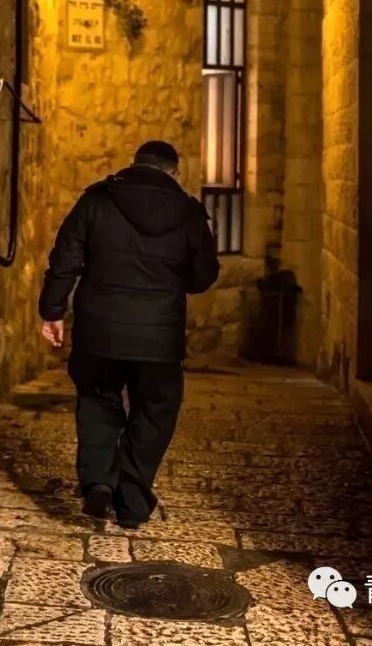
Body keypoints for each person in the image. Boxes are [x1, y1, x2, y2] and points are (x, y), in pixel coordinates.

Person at [38, 140, 220, 528]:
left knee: (97, 399)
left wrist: (52, 311)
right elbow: (204, 275)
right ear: (174, 173)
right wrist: (173, 281)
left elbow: (65, 257)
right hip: (159, 338)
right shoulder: (189, 213)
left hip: (98, 331)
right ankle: (132, 500)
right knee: (154, 412)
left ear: (134, 163)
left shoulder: (97, 200)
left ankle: (98, 482)